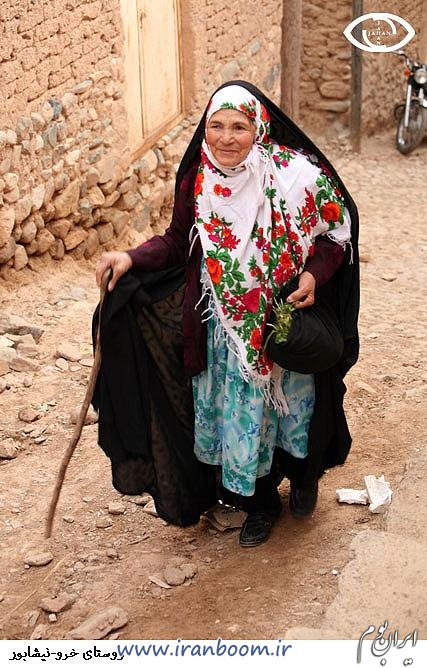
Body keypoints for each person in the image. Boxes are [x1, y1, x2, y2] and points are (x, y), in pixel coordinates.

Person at [95, 81, 359, 547]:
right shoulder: (198, 178)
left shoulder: (294, 173)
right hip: (226, 331)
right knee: (240, 419)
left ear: (258, 127)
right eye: (215, 126)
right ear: (205, 129)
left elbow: (335, 234)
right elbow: (178, 241)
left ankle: (302, 478)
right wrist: (131, 257)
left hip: (283, 324)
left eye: (238, 126)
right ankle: (259, 503)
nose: (226, 137)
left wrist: (314, 276)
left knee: (296, 411)